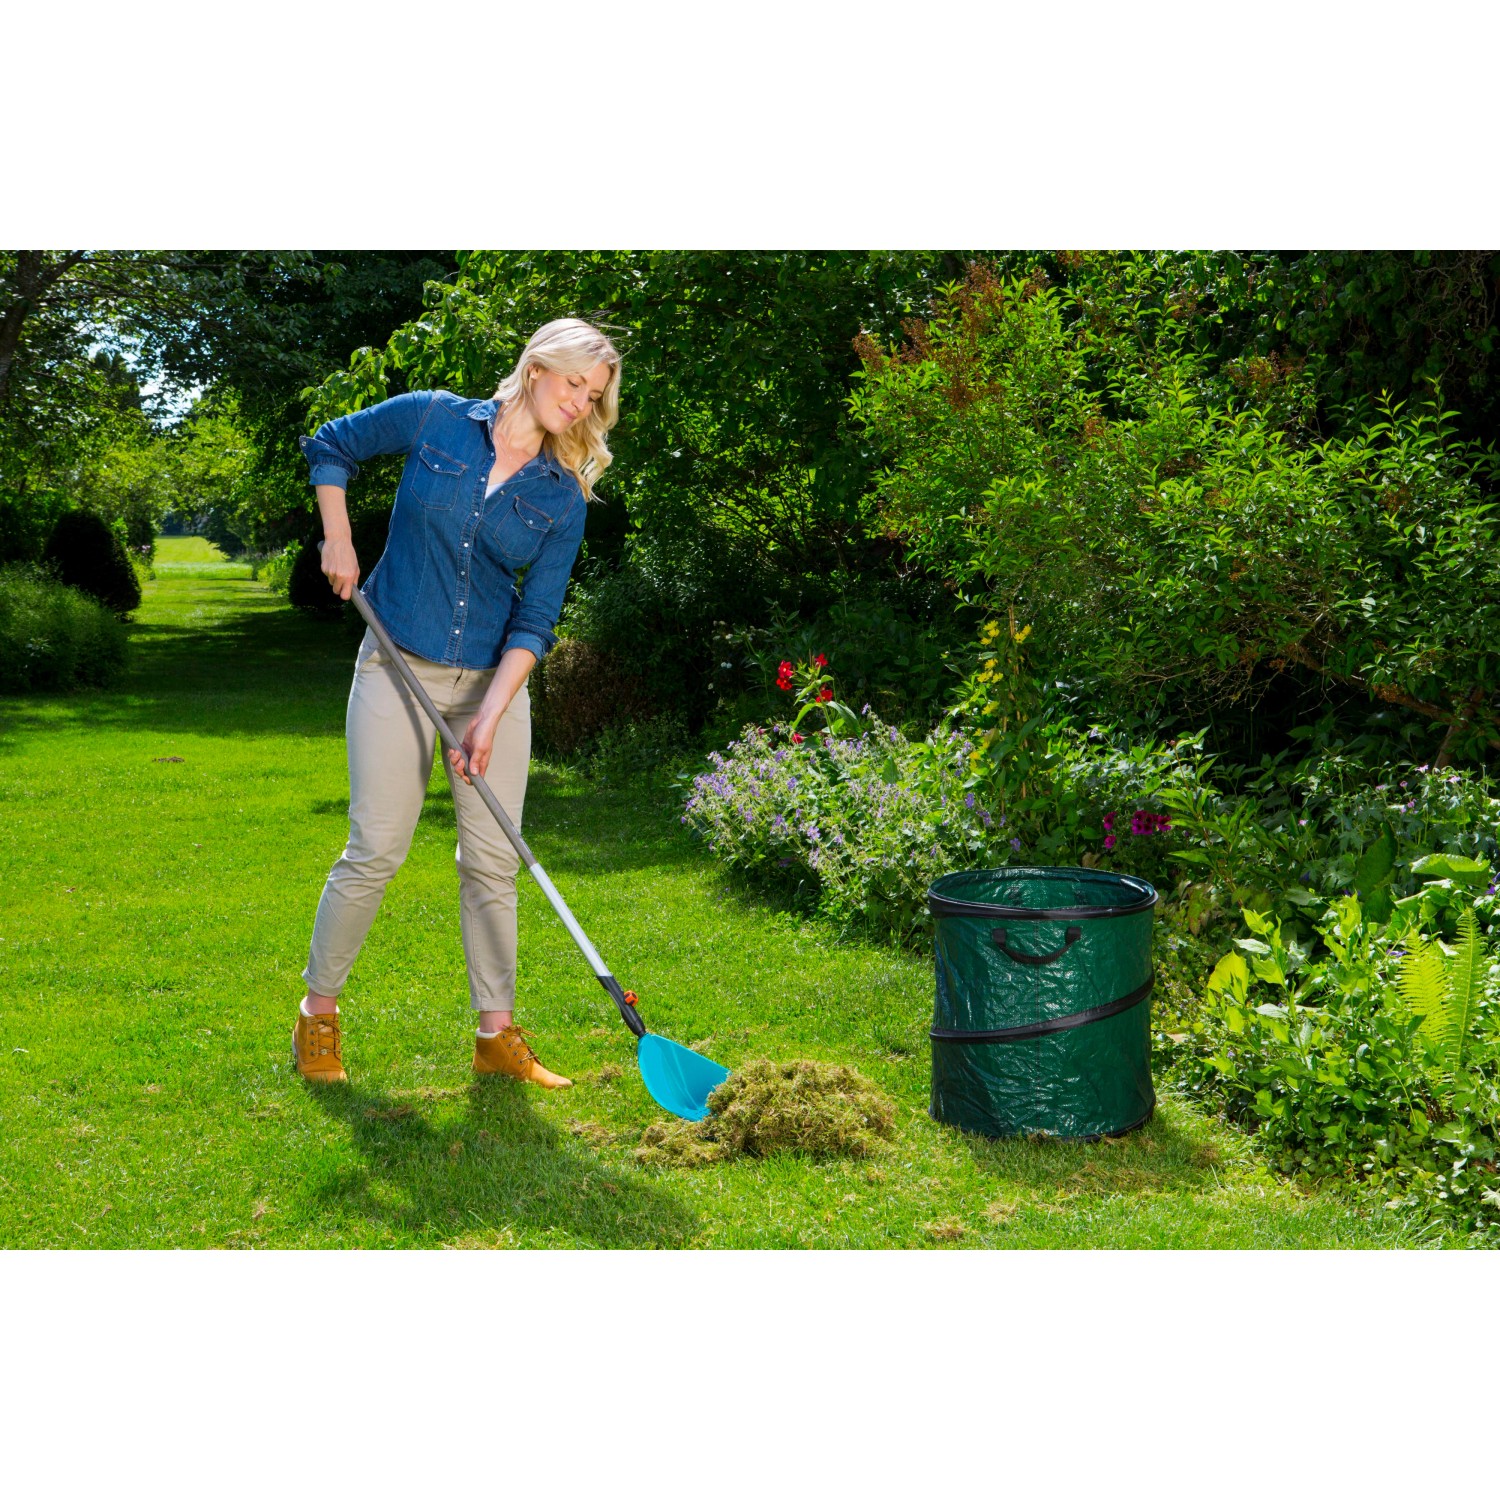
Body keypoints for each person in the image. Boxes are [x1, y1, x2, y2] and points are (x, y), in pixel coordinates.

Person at [291, 317, 621, 1087]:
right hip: (396, 662)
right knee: (376, 848)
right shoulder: (436, 417)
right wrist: (337, 537)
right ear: (536, 368)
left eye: (594, 395)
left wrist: (491, 714)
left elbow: (536, 619)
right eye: (574, 382)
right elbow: (331, 445)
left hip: (489, 683)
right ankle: (317, 1015)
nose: (580, 403)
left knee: (493, 863)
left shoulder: (561, 496)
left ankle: (495, 1036)